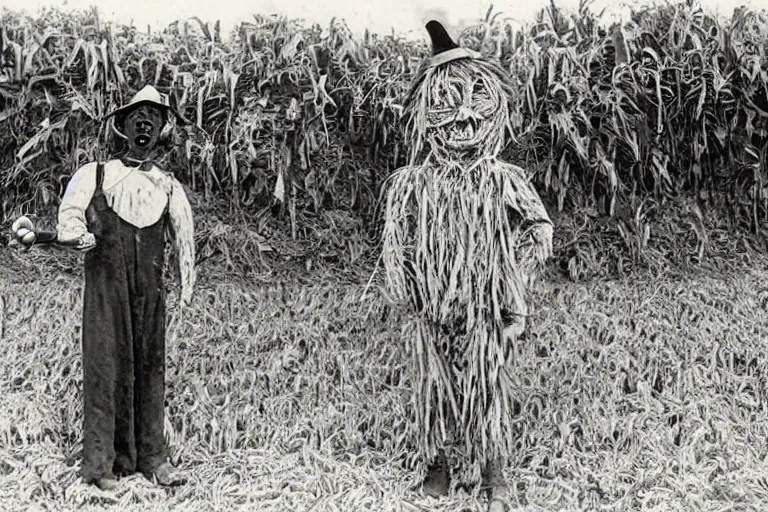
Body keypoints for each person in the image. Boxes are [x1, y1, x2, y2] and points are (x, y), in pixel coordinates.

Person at [380, 21, 554, 511]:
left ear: (494, 103)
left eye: (476, 96)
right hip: (431, 307)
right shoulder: (412, 183)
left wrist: (514, 288)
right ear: (424, 110)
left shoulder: (505, 179)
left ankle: (495, 473)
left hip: (486, 305)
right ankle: (437, 465)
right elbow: (398, 242)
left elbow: (538, 230)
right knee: (434, 385)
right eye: (447, 98)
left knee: (488, 383)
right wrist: (407, 285)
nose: (462, 114)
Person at [12, 85, 196, 491]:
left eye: (153, 117)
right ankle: (100, 466)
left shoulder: (167, 187)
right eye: (136, 116)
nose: (144, 123)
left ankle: (152, 459)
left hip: (149, 292)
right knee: (104, 369)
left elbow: (185, 241)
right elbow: (70, 223)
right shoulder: (94, 175)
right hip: (104, 290)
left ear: (163, 127)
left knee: (150, 370)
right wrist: (62, 236)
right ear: (124, 125)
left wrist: (186, 286)